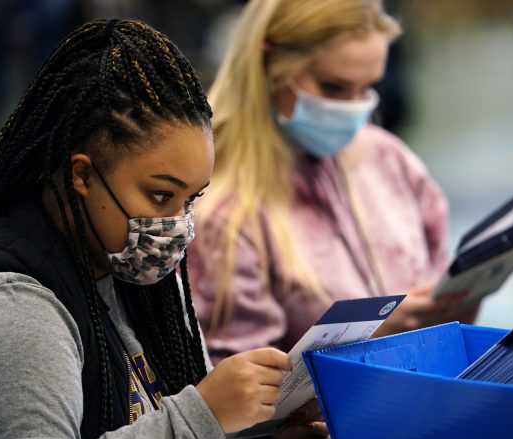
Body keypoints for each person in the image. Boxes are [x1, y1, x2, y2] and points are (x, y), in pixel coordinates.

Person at [0, 18, 324, 439]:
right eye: (161, 195)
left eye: (192, 199)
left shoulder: (133, 274)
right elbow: (186, 426)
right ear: (83, 175)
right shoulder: (7, 319)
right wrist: (201, 415)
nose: (180, 225)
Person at [189, 0, 480, 363]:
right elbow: (240, 394)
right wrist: (373, 337)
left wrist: (474, 287)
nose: (354, 107)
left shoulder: (389, 158)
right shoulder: (223, 211)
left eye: (368, 87)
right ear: (269, 66)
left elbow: (448, 325)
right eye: (334, 87)